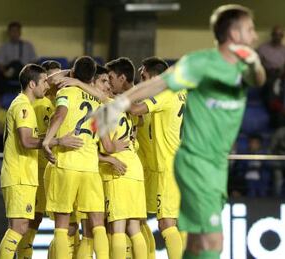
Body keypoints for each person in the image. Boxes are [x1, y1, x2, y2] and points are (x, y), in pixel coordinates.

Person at [93, 5, 265, 259]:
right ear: (235, 32)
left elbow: (259, 79)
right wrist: (118, 103)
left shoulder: (243, 66)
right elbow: (157, 84)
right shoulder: (198, 64)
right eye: (250, 29)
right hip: (195, 162)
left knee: (196, 238)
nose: (255, 36)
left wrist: (253, 61)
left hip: (214, 163)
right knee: (211, 238)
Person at [42, 56, 126, 259]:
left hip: (67, 163)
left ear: (72, 72)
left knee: (62, 226)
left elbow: (60, 114)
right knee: (97, 225)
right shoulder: (100, 101)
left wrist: (48, 140)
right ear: (93, 78)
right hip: (90, 169)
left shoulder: (66, 91)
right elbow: (105, 139)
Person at [0, 64, 81, 259]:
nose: (47, 85)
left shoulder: (24, 104)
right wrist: (58, 140)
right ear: (32, 83)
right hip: (18, 175)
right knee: (18, 228)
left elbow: (34, 138)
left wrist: (50, 141)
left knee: (23, 227)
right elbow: (26, 141)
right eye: (43, 81)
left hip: (24, 175)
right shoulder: (23, 106)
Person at [129, 56, 187, 259]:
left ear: (154, 76)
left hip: (167, 168)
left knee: (166, 223)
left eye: (143, 76)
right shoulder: (179, 91)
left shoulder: (165, 93)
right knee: (139, 216)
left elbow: (135, 109)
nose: (141, 81)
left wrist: (113, 98)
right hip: (161, 166)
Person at [100, 58, 147, 259]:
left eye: (109, 79)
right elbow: (141, 121)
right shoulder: (125, 105)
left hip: (118, 170)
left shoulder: (104, 109)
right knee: (135, 228)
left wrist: (110, 150)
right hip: (135, 168)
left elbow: (107, 146)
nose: (107, 83)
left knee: (118, 228)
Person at [0, 22, 37, 91]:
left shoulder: (28, 46)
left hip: (24, 73)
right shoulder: (3, 47)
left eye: (16, 31)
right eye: (12, 31)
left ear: (20, 32)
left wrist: (28, 72)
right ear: (8, 33)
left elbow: (34, 62)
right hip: (8, 73)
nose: (14, 33)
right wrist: (5, 72)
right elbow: (0, 64)